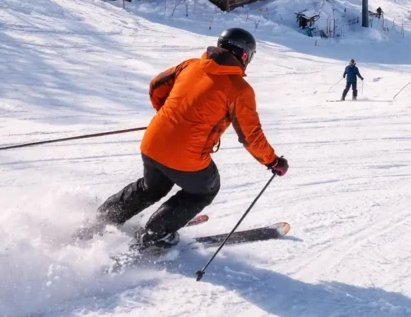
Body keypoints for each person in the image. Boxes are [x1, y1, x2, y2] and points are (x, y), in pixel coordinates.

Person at [95, 28, 287, 249]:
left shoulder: (190, 65)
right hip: (185, 156)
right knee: (205, 189)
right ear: (244, 55)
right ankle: (154, 234)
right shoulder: (239, 89)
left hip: (152, 142)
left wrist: (169, 115)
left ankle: (103, 218)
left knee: (151, 188)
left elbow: (156, 86)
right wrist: (273, 161)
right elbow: (250, 136)